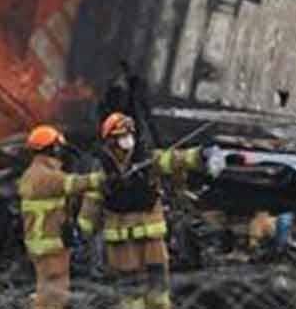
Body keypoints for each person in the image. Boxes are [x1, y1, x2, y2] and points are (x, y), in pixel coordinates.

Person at [80, 113, 224, 309]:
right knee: (131, 294)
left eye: (130, 134)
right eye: (122, 135)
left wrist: (202, 155)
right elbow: (93, 199)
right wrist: (84, 228)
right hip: (122, 242)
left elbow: (175, 159)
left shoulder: (147, 161)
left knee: (158, 288)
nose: (127, 139)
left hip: (151, 240)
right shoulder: (102, 169)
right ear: (110, 140)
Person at [18, 125, 105, 309]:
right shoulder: (44, 176)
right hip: (50, 245)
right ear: (54, 148)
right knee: (54, 296)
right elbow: (73, 183)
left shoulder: (32, 174)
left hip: (43, 243)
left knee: (48, 291)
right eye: (59, 148)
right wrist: (104, 178)